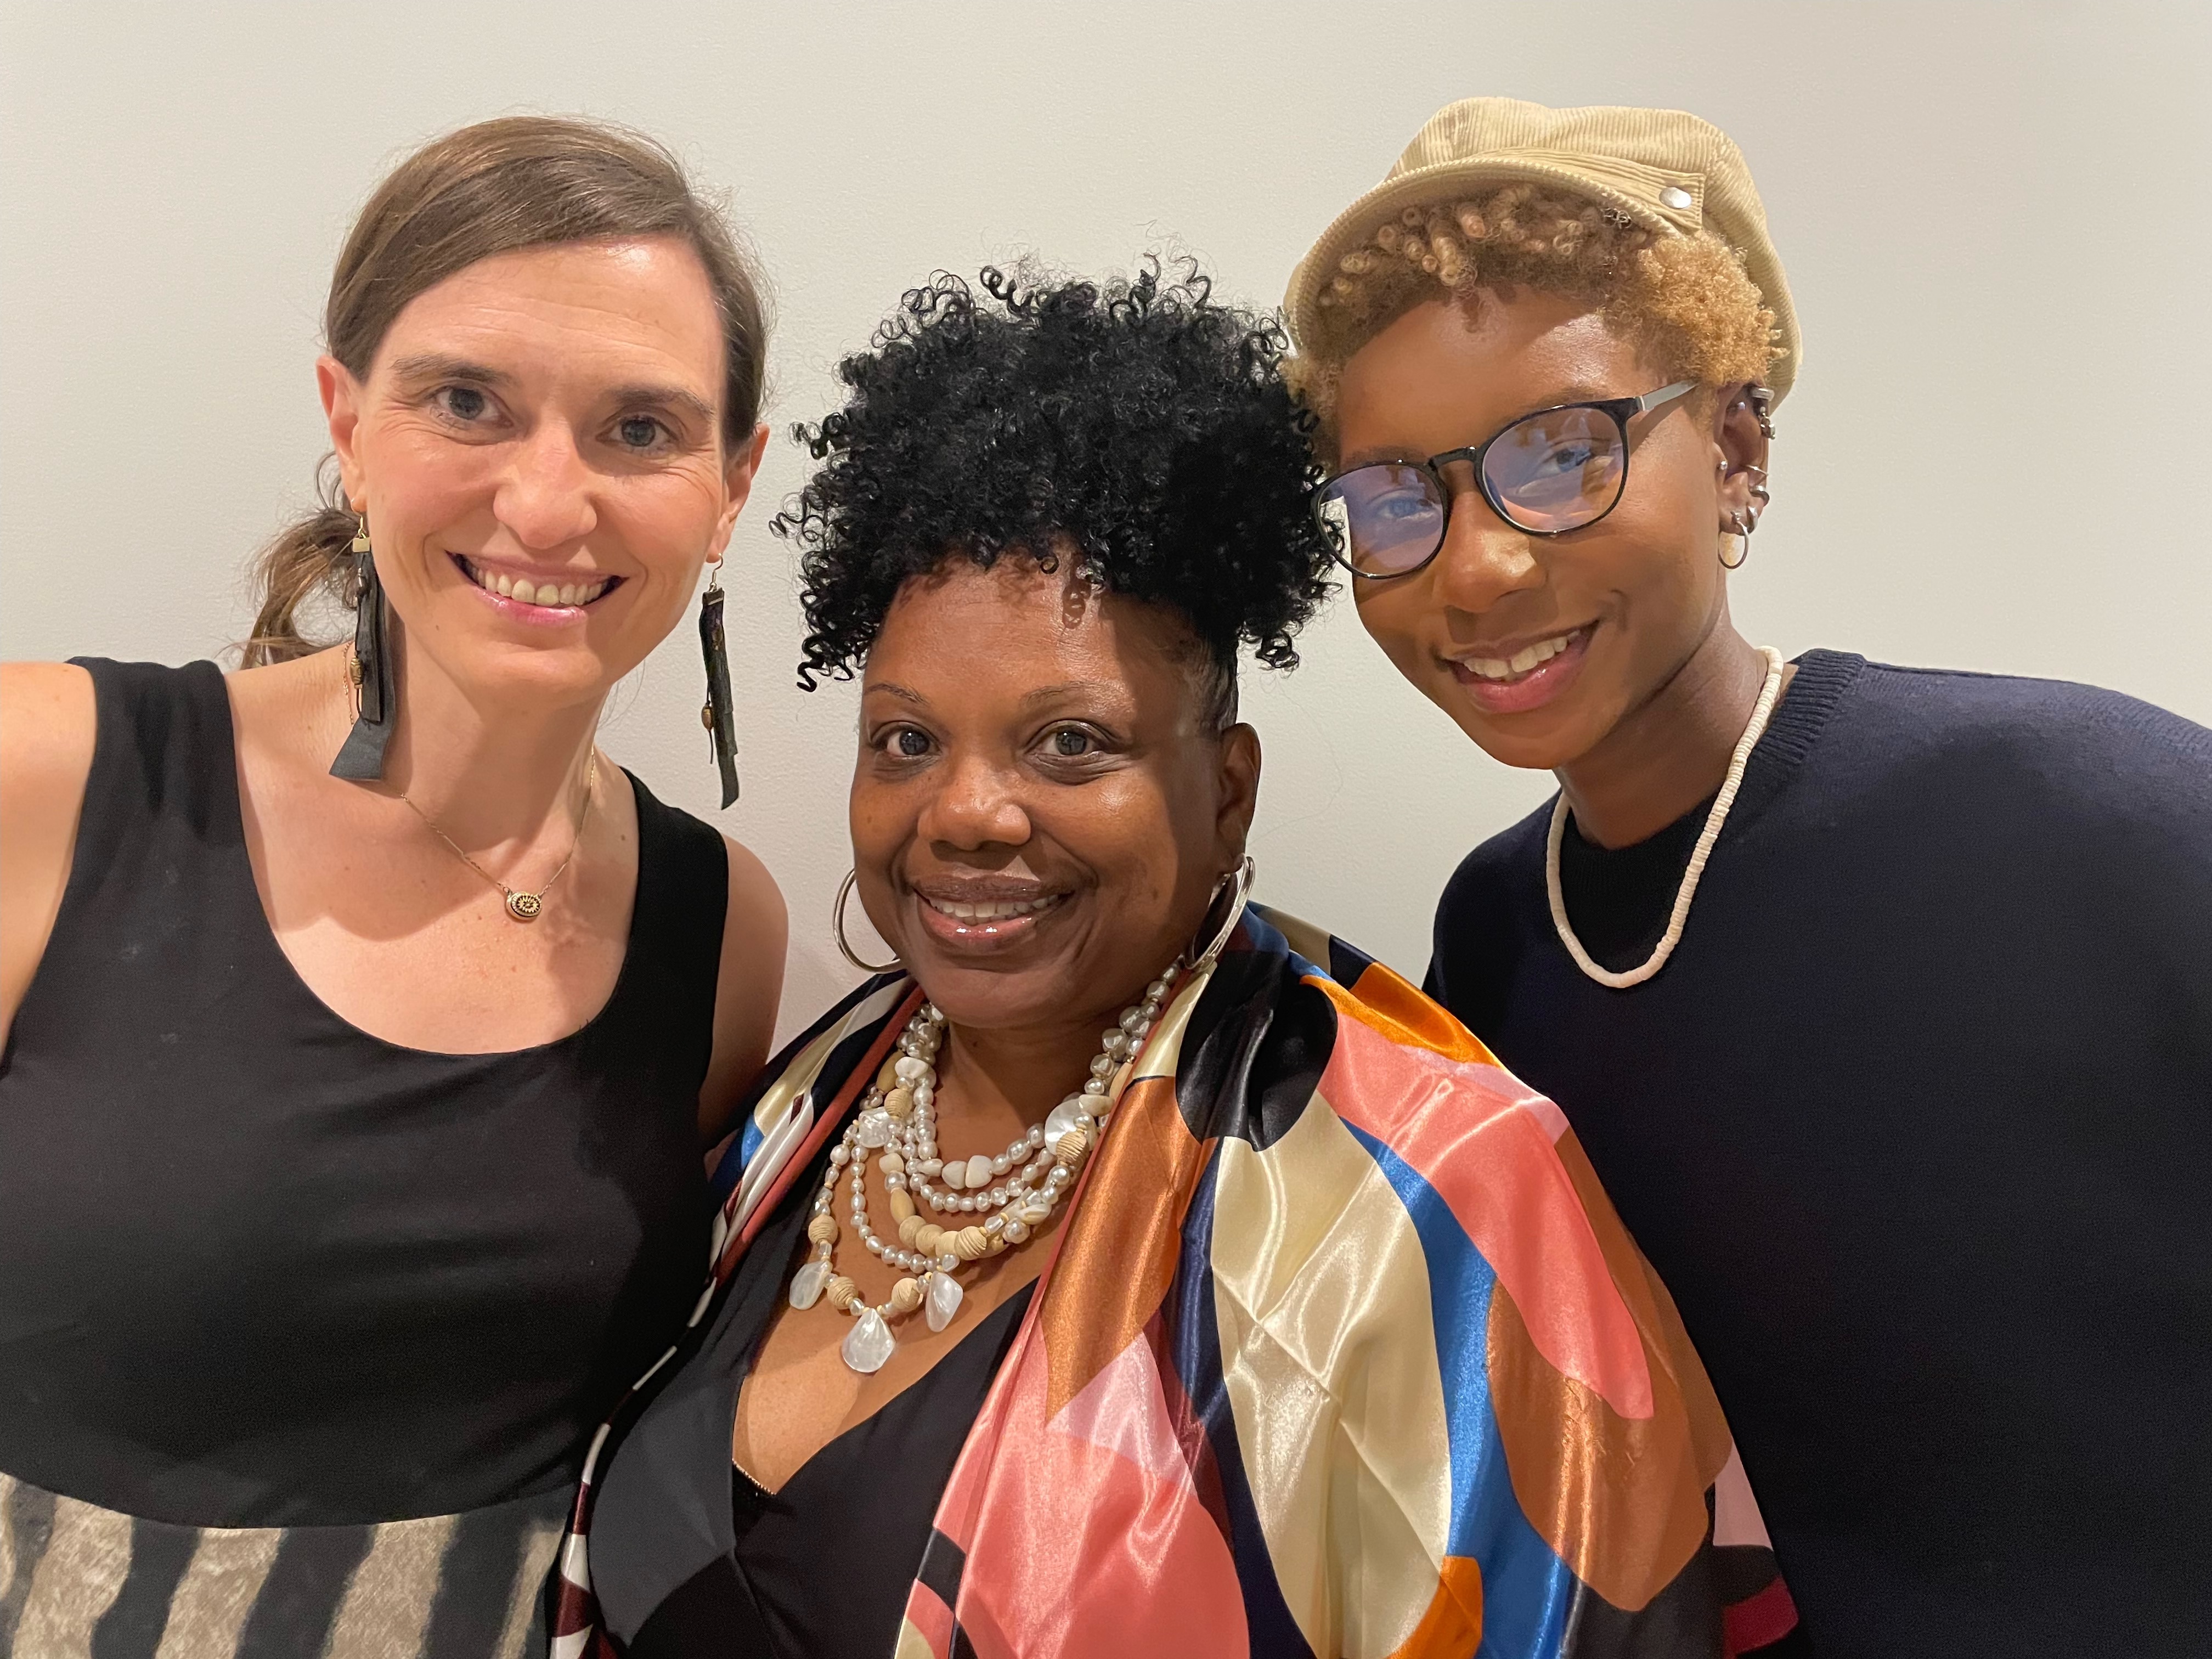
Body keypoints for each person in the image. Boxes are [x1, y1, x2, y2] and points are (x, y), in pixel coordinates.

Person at [557, 264, 1801, 1658]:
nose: (965, 813)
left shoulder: (1428, 1197)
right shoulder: (815, 1105)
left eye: (1070, 742)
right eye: (907, 739)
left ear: (1227, 794)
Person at [1282, 97, 2212, 1659]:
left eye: (1561, 453)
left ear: (1732, 446)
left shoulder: (2086, 815)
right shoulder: (1492, 942)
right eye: (1398, 494)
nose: (1479, 563)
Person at [0, 117, 786, 1655]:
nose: (549, 506)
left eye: (642, 429)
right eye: (468, 403)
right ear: (348, 425)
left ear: (734, 483)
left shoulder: (720, 928)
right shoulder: (52, 781)